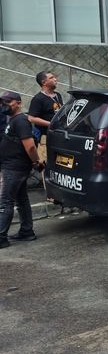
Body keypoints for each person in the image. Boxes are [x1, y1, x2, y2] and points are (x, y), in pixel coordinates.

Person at [0, 91, 43, 249]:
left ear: (18, 103)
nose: (4, 105)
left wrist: (36, 161)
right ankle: (27, 231)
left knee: (6, 202)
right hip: (13, 166)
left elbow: (30, 146)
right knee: (21, 199)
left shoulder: (21, 121)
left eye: (8, 102)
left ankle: (1, 237)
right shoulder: (13, 120)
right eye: (2, 102)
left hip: (15, 167)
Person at [28, 70, 63, 162]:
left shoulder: (58, 95)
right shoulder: (38, 99)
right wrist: (50, 124)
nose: (55, 79)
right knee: (45, 162)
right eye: (51, 78)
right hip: (45, 137)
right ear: (44, 82)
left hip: (58, 135)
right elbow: (31, 118)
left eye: (55, 77)